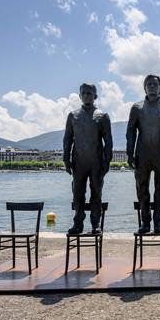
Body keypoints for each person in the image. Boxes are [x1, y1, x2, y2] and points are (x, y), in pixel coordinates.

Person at [126, 75, 160, 234]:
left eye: (155, 84)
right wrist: (129, 153)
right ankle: (145, 223)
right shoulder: (136, 108)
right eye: (149, 84)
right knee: (142, 190)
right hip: (142, 155)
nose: (152, 86)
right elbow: (130, 133)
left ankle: (158, 224)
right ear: (144, 87)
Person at [63, 83, 113, 234]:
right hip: (78, 162)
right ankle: (78, 222)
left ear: (95, 96)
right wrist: (66, 159)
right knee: (77, 193)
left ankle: (95, 223)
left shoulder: (102, 116)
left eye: (89, 93)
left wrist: (107, 162)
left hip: (96, 162)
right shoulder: (73, 116)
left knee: (96, 193)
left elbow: (108, 141)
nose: (86, 96)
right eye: (83, 93)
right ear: (79, 96)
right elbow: (67, 139)